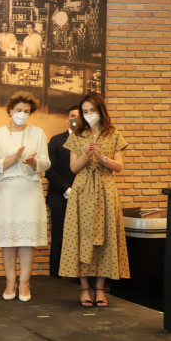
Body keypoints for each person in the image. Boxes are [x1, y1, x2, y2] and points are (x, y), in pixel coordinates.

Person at [59, 92, 130, 307]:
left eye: (92, 110)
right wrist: (86, 155)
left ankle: (100, 288)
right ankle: (84, 288)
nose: (89, 114)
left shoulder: (113, 134)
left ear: (101, 110)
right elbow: (73, 168)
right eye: (85, 111)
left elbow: (119, 166)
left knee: (106, 238)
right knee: (81, 237)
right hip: (82, 191)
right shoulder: (77, 135)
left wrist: (102, 157)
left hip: (106, 190)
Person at [0, 91, 50, 302]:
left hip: (30, 191)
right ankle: (10, 281)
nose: (22, 114)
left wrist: (33, 162)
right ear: (10, 110)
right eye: (19, 110)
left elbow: (45, 163)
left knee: (27, 239)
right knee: (8, 239)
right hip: (7, 192)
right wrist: (13, 159)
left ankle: (25, 283)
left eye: (27, 111)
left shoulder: (38, 133)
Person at [45, 105, 80, 277]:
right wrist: (67, 190)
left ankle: (80, 277)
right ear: (67, 119)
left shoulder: (90, 141)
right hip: (60, 198)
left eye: (80, 116)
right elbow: (50, 171)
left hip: (85, 198)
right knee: (59, 239)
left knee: (82, 240)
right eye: (73, 116)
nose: (76, 119)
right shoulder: (57, 140)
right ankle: (56, 278)